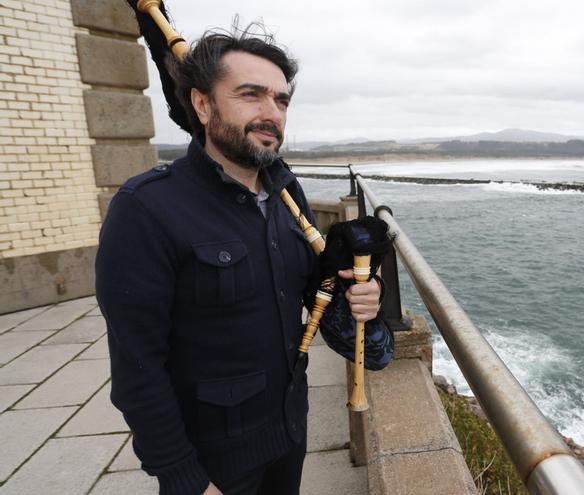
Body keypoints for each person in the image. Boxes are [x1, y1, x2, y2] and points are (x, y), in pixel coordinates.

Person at [96, 28, 385, 495]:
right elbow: (137, 370)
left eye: (281, 100)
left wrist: (364, 292)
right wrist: (184, 478)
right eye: (251, 95)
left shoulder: (287, 194)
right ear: (203, 105)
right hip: (214, 464)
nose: (271, 112)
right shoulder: (147, 208)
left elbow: (316, 291)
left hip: (288, 435)